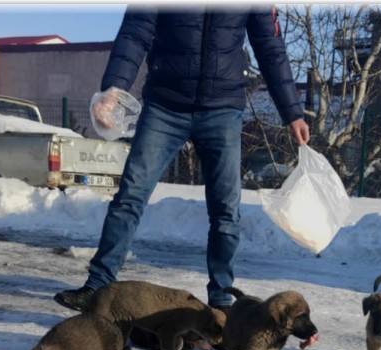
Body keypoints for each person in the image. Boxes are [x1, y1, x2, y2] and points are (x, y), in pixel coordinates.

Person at [54, 7, 310, 313]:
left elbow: (271, 48)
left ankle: (221, 301)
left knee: (226, 210)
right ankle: (98, 286)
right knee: (130, 196)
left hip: (223, 109)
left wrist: (292, 112)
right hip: (164, 105)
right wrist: (113, 88)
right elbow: (135, 32)